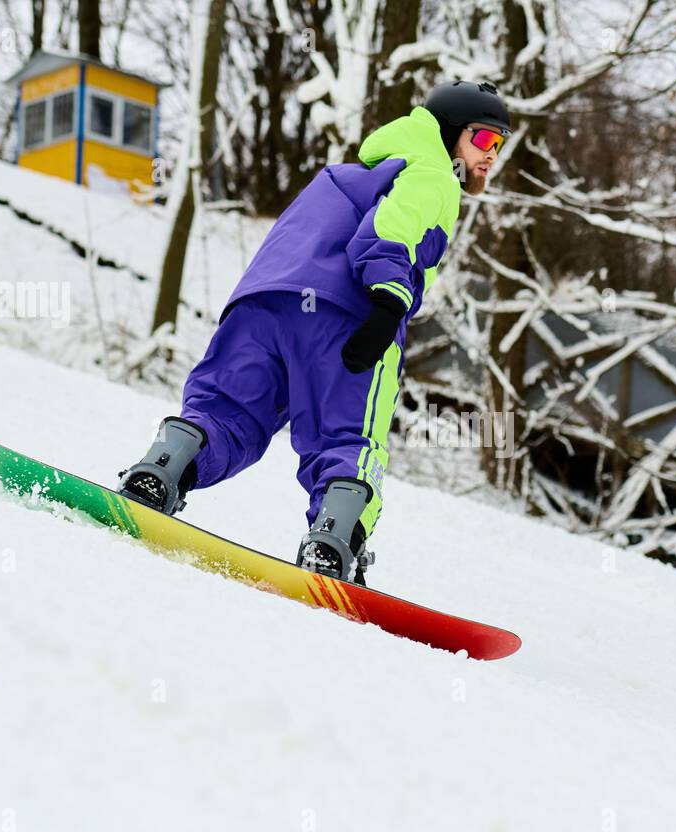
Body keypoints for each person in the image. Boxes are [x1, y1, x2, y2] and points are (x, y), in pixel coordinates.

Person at [117, 80, 512, 587]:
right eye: (483, 140)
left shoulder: (339, 176)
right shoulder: (432, 175)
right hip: (347, 317)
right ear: (449, 132)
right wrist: (388, 303)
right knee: (349, 435)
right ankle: (334, 542)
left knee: (229, 410)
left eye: (499, 145)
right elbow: (388, 231)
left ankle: (162, 470)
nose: (491, 156)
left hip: (261, 306)